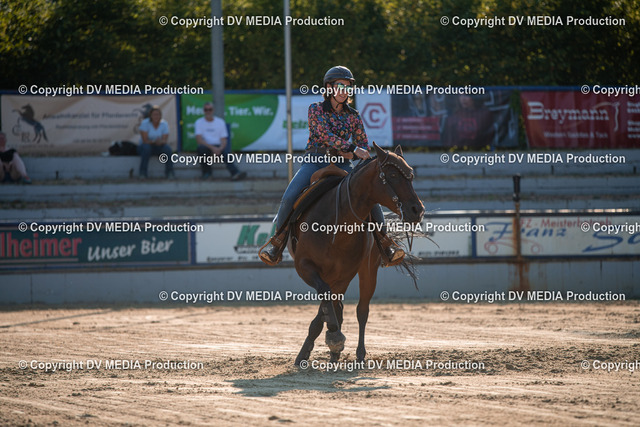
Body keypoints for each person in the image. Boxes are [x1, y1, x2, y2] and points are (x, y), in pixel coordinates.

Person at [259, 65, 405, 267]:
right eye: (340, 86)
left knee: (370, 198)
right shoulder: (315, 109)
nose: (345, 91)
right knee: (289, 197)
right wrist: (351, 148)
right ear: (329, 88)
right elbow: (324, 134)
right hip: (315, 161)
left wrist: (353, 152)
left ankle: (385, 244)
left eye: (348, 87)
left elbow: (363, 143)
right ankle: (277, 243)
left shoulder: (353, 115)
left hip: (343, 164)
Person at [195, 102, 247, 181]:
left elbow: (224, 140)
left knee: (226, 151)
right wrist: (213, 148)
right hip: (206, 146)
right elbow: (199, 140)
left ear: (213, 110)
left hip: (218, 146)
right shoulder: (198, 122)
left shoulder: (220, 122)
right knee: (201, 149)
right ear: (203, 111)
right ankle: (207, 174)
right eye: (206, 110)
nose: (208, 111)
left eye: (210, 109)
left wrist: (220, 148)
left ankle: (235, 173)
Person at [137, 105, 174, 179]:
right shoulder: (145, 123)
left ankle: (170, 172)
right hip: (145, 147)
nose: (156, 116)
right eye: (154, 114)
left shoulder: (164, 124)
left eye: (158, 114)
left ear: (160, 115)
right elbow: (145, 140)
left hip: (158, 146)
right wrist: (154, 141)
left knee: (168, 149)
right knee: (146, 148)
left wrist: (160, 142)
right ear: (150, 116)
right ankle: (143, 173)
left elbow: (164, 140)